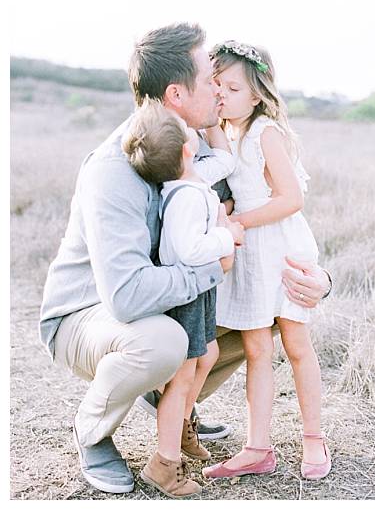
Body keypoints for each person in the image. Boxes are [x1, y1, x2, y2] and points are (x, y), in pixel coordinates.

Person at [37, 23, 332, 495]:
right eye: (208, 79)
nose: (218, 89)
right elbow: (128, 295)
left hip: (155, 301)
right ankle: (92, 433)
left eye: (224, 81)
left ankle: (177, 405)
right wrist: (213, 262)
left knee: (263, 311)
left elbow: (265, 222)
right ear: (176, 93)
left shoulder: (202, 150)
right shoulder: (117, 168)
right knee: (164, 341)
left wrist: (320, 280)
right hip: (87, 315)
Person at [201, 41, 330, 481]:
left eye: (233, 88)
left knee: (296, 346)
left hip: (278, 246)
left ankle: (314, 438)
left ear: (257, 94)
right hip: (248, 255)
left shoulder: (264, 133)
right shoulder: (226, 131)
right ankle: (258, 447)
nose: (222, 95)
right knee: (256, 350)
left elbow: (291, 199)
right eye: (217, 85)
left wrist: (238, 220)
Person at [122, 101, 243, 496]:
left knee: (205, 356)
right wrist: (228, 235)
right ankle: (165, 462)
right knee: (184, 375)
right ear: (187, 149)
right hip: (188, 292)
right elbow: (191, 250)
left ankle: (181, 420)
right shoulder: (187, 195)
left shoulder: (190, 181)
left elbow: (223, 161)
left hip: (199, 290)